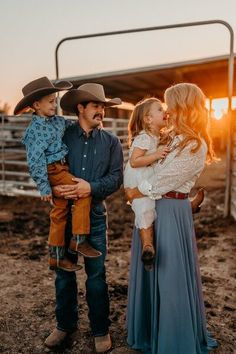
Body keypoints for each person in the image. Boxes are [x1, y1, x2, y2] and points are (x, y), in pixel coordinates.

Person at [125, 83, 218, 354]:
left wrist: (134, 190)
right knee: (153, 269)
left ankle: (173, 338)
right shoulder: (173, 138)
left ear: (183, 107)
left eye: (170, 105)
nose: (167, 111)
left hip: (170, 212)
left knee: (170, 275)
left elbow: (162, 181)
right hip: (155, 209)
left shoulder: (195, 145)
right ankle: (149, 330)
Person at [44, 83, 123, 353]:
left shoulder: (111, 142)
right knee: (63, 274)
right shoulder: (62, 136)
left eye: (103, 106)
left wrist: (89, 187)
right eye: (96, 106)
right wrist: (52, 187)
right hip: (65, 215)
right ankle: (65, 325)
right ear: (81, 108)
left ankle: (100, 329)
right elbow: (47, 164)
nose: (101, 110)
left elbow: (116, 179)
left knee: (97, 275)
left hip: (96, 216)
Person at [14, 77, 101, 272]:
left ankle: (56, 256)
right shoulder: (34, 131)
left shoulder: (56, 122)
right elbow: (35, 161)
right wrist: (44, 186)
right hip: (53, 169)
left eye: (55, 100)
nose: (55, 104)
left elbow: (71, 125)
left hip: (60, 168)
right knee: (82, 193)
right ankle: (78, 240)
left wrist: (91, 122)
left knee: (59, 212)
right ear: (37, 105)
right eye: (51, 101)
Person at [124, 98, 170, 270]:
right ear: (148, 119)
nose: (165, 112)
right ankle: (147, 245)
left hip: (146, 174)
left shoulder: (156, 136)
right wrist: (157, 155)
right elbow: (135, 161)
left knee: (149, 207)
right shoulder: (144, 137)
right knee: (145, 209)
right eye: (160, 109)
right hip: (138, 176)